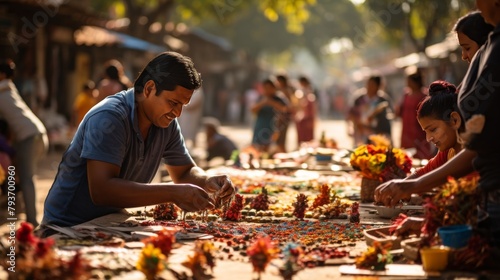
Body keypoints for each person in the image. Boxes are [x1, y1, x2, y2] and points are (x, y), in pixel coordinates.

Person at [41, 52, 235, 231]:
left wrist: (206, 180)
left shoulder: (166, 123)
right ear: (150, 88)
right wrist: (173, 193)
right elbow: (102, 190)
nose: (177, 113)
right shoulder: (110, 118)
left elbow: (184, 172)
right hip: (67, 225)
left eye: (183, 106)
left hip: (110, 220)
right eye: (173, 103)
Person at [375, 3, 500, 249]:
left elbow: (477, 148)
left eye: (467, 48)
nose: (465, 56)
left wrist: (412, 188)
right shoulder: (490, 50)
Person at [0, 59, 48, 227]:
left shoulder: (2, 89)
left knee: (26, 178)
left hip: (29, 137)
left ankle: (32, 221)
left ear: (3, 74)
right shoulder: (9, 88)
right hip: (38, 134)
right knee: (20, 175)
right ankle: (20, 211)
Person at [406, 81, 465, 179]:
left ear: (454, 120)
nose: (428, 138)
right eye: (426, 132)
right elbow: (423, 173)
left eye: (433, 129)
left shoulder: (472, 153)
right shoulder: (449, 151)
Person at [347, 76, 393, 147]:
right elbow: (351, 115)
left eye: (372, 84)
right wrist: (350, 127)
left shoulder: (383, 100)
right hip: (360, 136)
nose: (369, 87)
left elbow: (387, 120)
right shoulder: (359, 99)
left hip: (377, 137)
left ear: (379, 86)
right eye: (368, 84)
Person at [397, 71, 433, 159]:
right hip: (406, 132)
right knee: (407, 158)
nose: (407, 84)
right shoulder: (406, 95)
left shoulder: (424, 95)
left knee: (422, 157)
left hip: (419, 131)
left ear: (416, 82)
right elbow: (399, 111)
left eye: (409, 81)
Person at [251, 79, 287, 153]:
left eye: (269, 88)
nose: (267, 90)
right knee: (257, 148)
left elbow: (284, 109)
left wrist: (271, 103)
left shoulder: (278, 98)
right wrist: (263, 103)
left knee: (271, 149)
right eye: (265, 88)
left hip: (273, 127)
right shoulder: (261, 98)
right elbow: (252, 109)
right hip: (260, 125)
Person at [295, 76, 317, 146]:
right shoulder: (303, 92)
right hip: (304, 118)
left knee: (307, 139)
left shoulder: (307, 93)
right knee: (304, 138)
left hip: (307, 118)